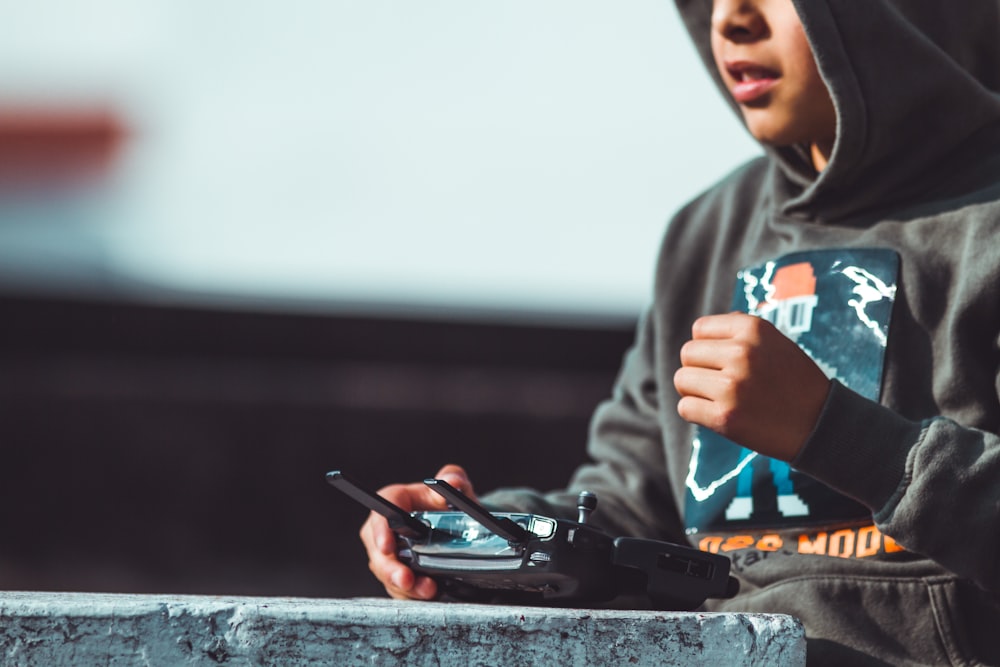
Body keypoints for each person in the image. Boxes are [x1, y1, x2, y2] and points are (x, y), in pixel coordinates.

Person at [358, 0, 1000, 663]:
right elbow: (634, 510)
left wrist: (837, 433)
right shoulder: (707, 229)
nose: (731, 20)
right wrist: (489, 537)